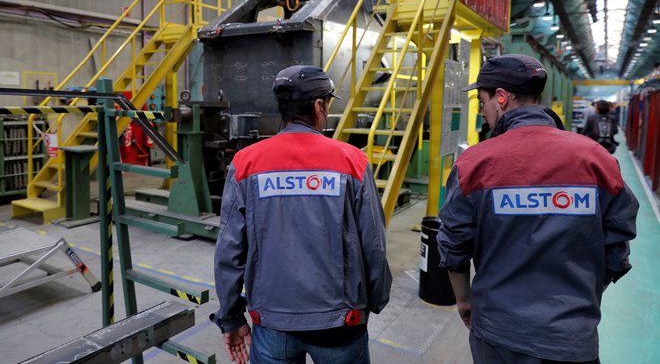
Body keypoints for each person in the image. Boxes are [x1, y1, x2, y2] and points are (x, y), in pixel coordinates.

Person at [435, 54, 639, 363]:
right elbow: (618, 244)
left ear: (501, 98)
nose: (483, 110)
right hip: (573, 338)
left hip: (498, 334)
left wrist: (464, 300)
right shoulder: (596, 159)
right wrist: (581, 296)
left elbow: (454, 244)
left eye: (483, 100)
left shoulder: (473, 164)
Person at [211, 65, 392, 364]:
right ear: (319, 106)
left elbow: (229, 250)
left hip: (272, 323)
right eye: (329, 105)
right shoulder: (352, 162)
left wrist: (231, 316)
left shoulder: (246, 163)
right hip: (340, 324)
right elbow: (374, 243)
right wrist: (373, 301)